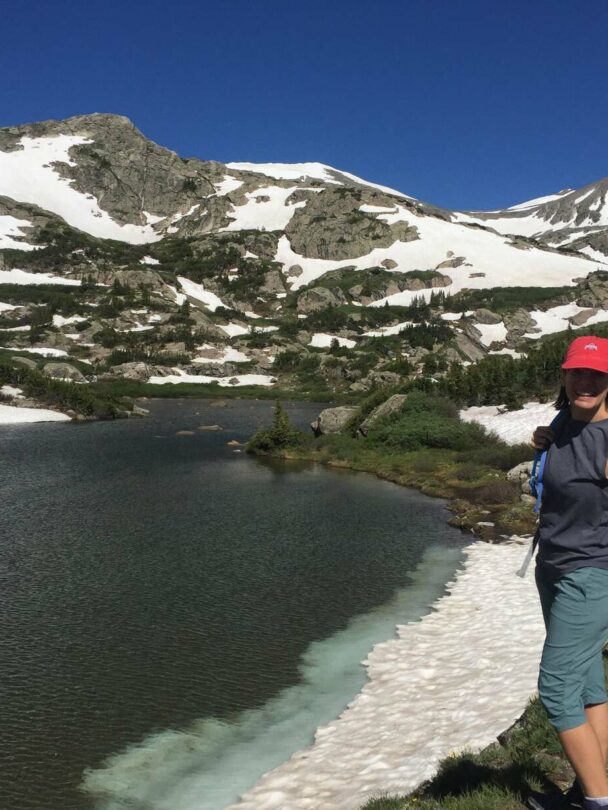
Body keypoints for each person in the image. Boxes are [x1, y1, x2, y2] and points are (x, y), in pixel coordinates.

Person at [529, 336, 608, 810]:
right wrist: (543, 440)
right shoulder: (564, 422)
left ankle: (597, 803)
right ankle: (593, 784)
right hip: (553, 568)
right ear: (565, 376)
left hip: (592, 574)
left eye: (597, 375)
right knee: (586, 683)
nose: (586, 381)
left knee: (557, 690)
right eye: (578, 372)